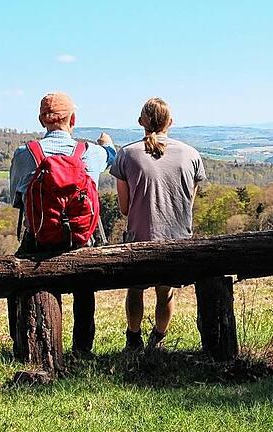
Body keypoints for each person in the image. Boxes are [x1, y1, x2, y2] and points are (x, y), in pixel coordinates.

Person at [9, 92, 116, 356]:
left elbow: (17, 197)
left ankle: (25, 342)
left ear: (41, 120)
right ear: (73, 119)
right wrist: (107, 144)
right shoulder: (90, 153)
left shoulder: (25, 154)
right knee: (84, 286)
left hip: (38, 240)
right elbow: (112, 155)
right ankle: (82, 347)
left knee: (16, 282)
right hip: (81, 239)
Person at [110, 97, 206, 351]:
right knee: (165, 293)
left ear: (141, 121)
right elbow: (188, 203)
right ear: (170, 122)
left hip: (140, 238)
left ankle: (133, 338)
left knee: (135, 290)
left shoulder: (126, 155)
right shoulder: (191, 155)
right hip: (177, 241)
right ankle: (159, 338)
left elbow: (123, 208)